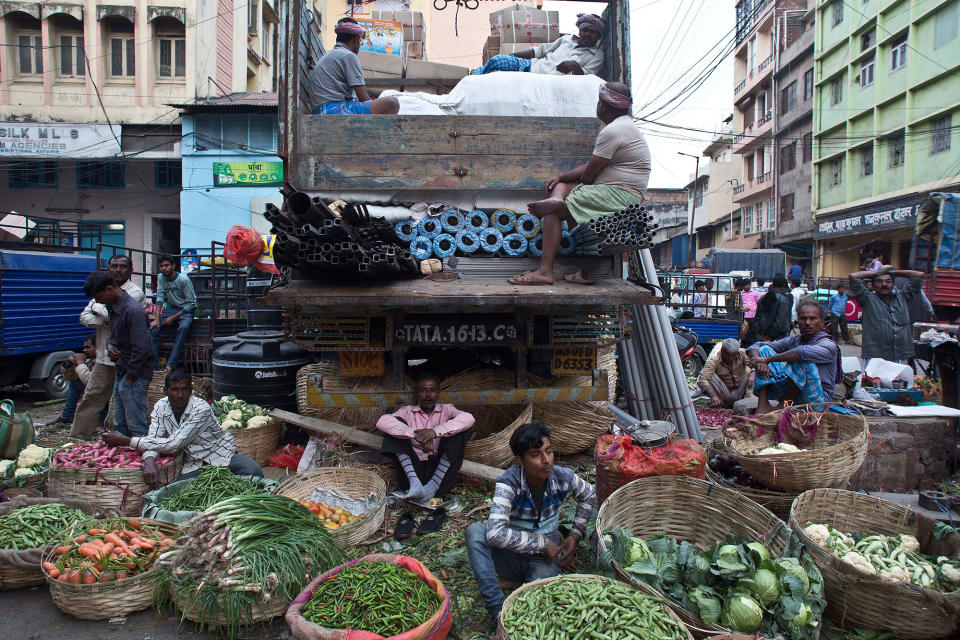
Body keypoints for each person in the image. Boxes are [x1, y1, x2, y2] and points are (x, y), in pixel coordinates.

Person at [509, 82, 649, 285]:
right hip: (614, 190)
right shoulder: (624, 127)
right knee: (563, 187)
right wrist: (560, 178)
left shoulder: (614, 131)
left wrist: (571, 188)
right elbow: (590, 165)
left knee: (553, 212)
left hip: (620, 195)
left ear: (604, 106)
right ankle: (557, 199)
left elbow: (588, 177)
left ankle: (545, 272)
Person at [465, 423, 596, 624]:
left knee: (534, 600)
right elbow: (495, 534)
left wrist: (575, 535)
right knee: (475, 532)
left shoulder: (563, 477)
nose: (546, 460)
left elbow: (589, 495)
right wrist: (541, 543)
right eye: (536, 455)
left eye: (549, 451)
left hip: (546, 559)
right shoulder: (508, 482)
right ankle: (498, 614)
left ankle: (514, 614)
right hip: (512, 553)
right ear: (520, 461)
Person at [102, 369, 262, 486]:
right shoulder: (160, 407)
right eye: (175, 390)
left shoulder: (201, 409)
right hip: (193, 461)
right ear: (165, 391)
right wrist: (149, 460)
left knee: (253, 471)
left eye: (184, 389)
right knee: (180, 491)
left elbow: (174, 444)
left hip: (219, 453)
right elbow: (154, 439)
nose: (180, 395)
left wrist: (127, 440)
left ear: (191, 391)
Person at [71, 255, 146, 439]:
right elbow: (85, 317)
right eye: (114, 266)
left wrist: (103, 312)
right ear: (109, 270)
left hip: (127, 359)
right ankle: (77, 440)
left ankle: (135, 442)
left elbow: (109, 313)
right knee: (92, 398)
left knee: (129, 405)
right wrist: (105, 315)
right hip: (105, 358)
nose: (118, 270)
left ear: (131, 271)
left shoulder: (135, 294)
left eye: (123, 267)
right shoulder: (100, 290)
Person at [375, 372, 474, 508]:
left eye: (432, 390)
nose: (428, 395)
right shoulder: (407, 411)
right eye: (423, 390)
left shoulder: (446, 409)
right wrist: (415, 434)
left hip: (440, 477)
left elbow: (469, 418)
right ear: (416, 393)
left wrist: (434, 432)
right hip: (412, 474)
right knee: (394, 427)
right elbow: (382, 421)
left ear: (438, 393)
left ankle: (432, 487)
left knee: (459, 430)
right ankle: (415, 483)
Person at [82, 271, 155, 437]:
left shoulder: (132, 310)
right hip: (122, 371)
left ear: (109, 289)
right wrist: (110, 345)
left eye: (98, 297)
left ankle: (143, 457)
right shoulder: (113, 307)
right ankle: (126, 456)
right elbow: (114, 336)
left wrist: (130, 377)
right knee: (120, 422)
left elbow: (142, 349)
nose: (98, 301)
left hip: (134, 374)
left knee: (136, 424)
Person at [747, 302, 841, 414]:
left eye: (813, 319)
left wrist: (767, 360)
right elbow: (756, 346)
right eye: (803, 319)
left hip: (817, 401)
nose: (807, 323)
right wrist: (759, 361)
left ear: (822, 322)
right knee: (765, 350)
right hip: (795, 394)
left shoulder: (828, 345)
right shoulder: (795, 340)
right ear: (797, 322)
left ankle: (783, 406)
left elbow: (802, 353)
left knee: (802, 360)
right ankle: (762, 405)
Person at [306, 18, 400, 115]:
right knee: (392, 103)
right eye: (360, 41)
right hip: (333, 110)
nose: (360, 45)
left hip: (323, 110)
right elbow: (363, 98)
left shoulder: (331, 54)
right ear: (355, 40)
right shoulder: (348, 56)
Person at [472, 13, 605, 76]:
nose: (587, 34)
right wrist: (511, 56)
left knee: (497, 79)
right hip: (531, 66)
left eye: (592, 32)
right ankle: (472, 80)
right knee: (498, 61)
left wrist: (575, 67)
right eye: (585, 30)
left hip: (544, 83)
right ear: (580, 31)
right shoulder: (567, 39)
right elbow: (539, 51)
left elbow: (586, 79)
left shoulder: (597, 57)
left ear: (598, 36)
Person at [849, 266, 925, 364]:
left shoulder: (903, 296)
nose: (884, 284)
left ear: (893, 284)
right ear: (873, 285)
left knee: (899, 379)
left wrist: (894, 272)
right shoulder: (867, 299)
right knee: (874, 379)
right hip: (875, 356)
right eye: (879, 281)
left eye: (888, 281)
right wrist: (877, 273)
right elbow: (853, 276)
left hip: (901, 354)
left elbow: (919, 275)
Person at [44, 336, 106, 429]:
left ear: (98, 348)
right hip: (95, 391)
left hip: (103, 395)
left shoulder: (103, 362)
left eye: (88, 347)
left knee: (78, 383)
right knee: (74, 382)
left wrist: (80, 364)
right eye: (84, 347)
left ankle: (101, 419)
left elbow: (91, 383)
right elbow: (70, 377)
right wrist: (69, 364)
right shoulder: (90, 360)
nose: (84, 350)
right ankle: (67, 415)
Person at [151, 254, 197, 372]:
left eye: (166, 265)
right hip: (171, 310)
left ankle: (171, 364)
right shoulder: (161, 277)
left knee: (184, 327)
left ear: (173, 266)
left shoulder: (183, 280)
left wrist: (174, 317)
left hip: (185, 310)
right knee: (154, 330)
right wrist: (156, 319)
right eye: (161, 266)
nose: (164, 268)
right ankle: (154, 367)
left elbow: (191, 304)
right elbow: (160, 297)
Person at [698, 338, 753, 408]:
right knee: (708, 376)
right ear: (722, 351)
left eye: (733, 355)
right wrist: (714, 396)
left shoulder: (742, 353)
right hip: (726, 393)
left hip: (742, 390)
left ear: (737, 352)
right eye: (727, 355)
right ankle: (721, 402)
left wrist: (752, 373)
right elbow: (703, 380)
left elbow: (754, 365)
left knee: (755, 372)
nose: (730, 358)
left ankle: (749, 400)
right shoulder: (714, 361)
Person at [754, 275, 793, 341]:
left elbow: (757, 316)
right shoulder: (783, 299)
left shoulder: (763, 297)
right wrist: (771, 334)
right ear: (784, 285)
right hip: (779, 335)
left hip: (764, 335)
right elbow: (781, 319)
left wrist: (763, 333)